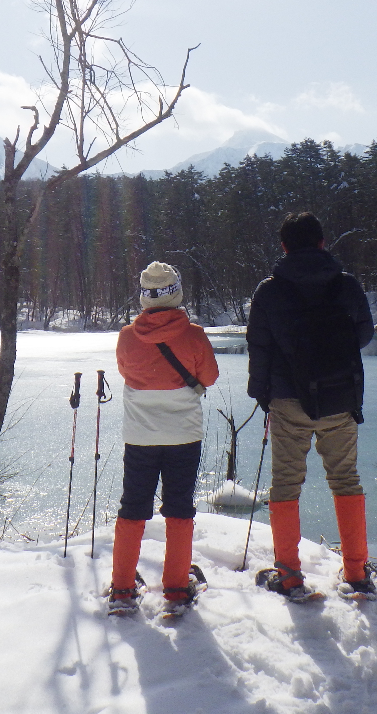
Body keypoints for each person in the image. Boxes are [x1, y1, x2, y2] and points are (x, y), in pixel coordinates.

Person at [246, 212, 377, 601]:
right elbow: (364, 333)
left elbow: (259, 346)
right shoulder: (346, 285)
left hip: (288, 400)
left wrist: (261, 394)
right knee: (345, 479)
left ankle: (288, 575)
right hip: (340, 395)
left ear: (284, 247)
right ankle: (355, 573)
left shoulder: (269, 291)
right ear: (322, 243)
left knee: (286, 484)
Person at [108, 261, 219, 615]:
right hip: (184, 436)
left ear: (145, 299)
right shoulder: (195, 336)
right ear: (176, 294)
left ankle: (123, 588)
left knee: (133, 507)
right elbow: (210, 377)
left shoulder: (127, 337)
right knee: (180, 507)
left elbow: (126, 372)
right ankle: (175, 587)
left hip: (139, 437)